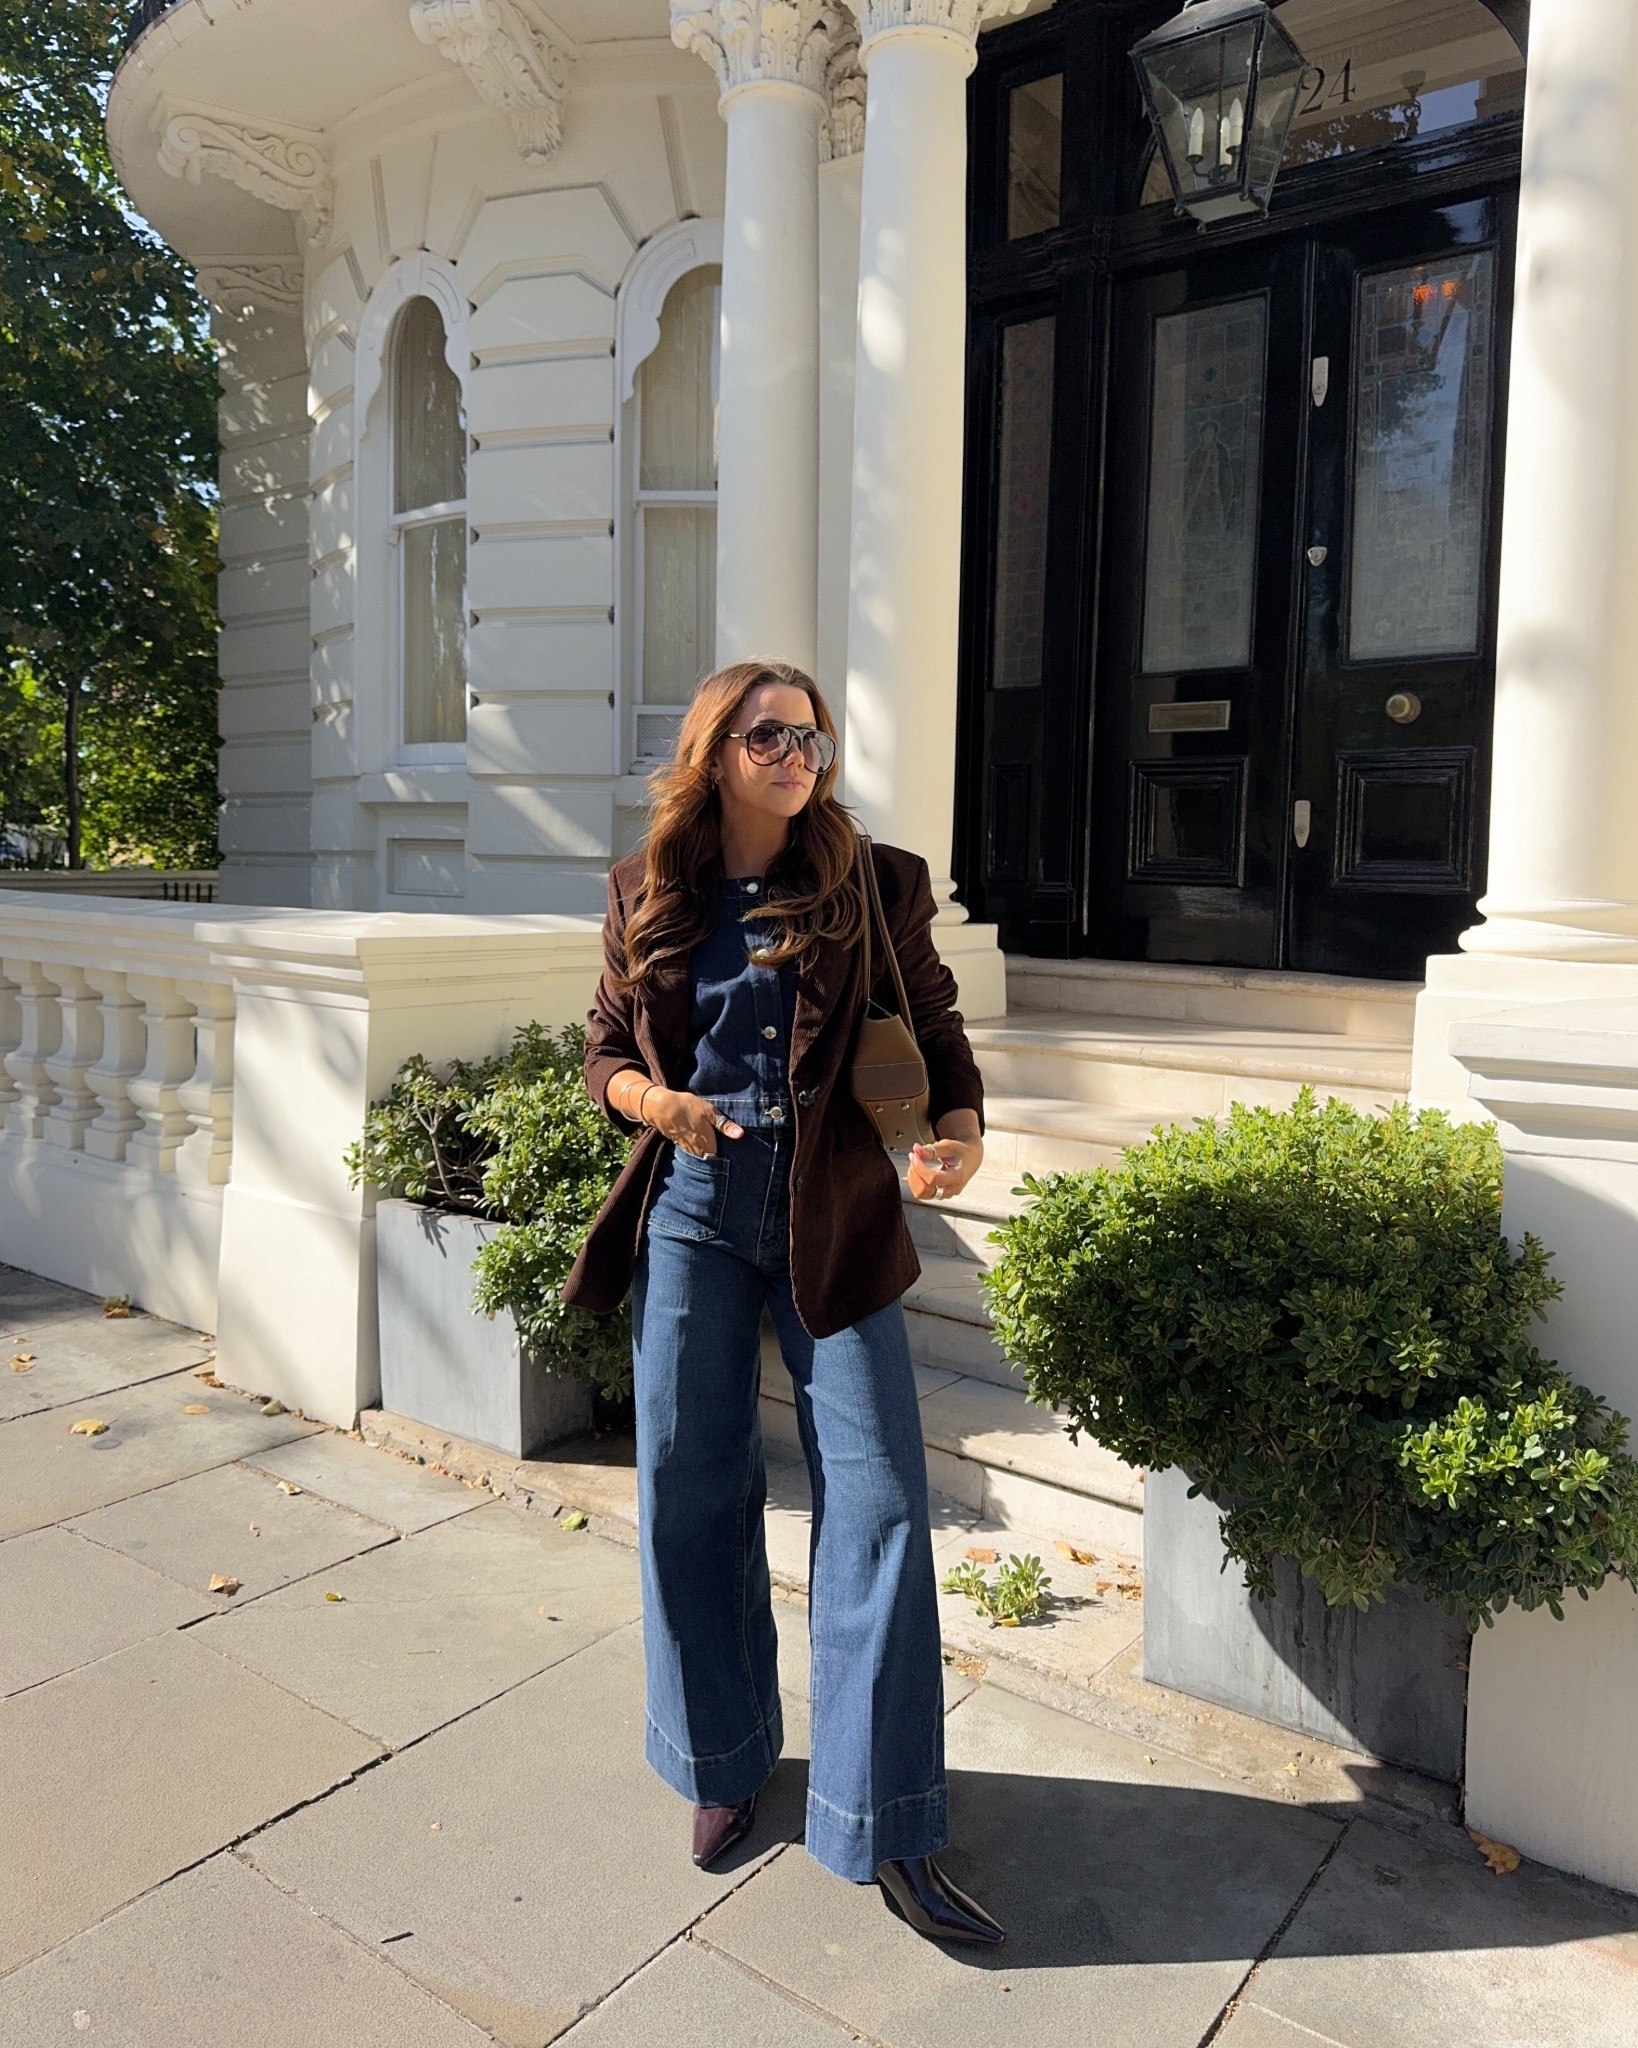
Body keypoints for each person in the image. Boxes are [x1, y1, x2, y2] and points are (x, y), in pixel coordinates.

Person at [563, 659, 1005, 1946]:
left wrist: (959, 1133)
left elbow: (934, 1021)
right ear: (715, 749)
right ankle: (725, 1757)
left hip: (835, 1209)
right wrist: (658, 1103)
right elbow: (600, 1047)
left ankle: (891, 1819)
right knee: (691, 1487)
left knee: (878, 1501)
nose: (797, 752)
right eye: (769, 733)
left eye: (811, 734)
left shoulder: (875, 880)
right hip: (696, 1209)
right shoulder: (644, 891)